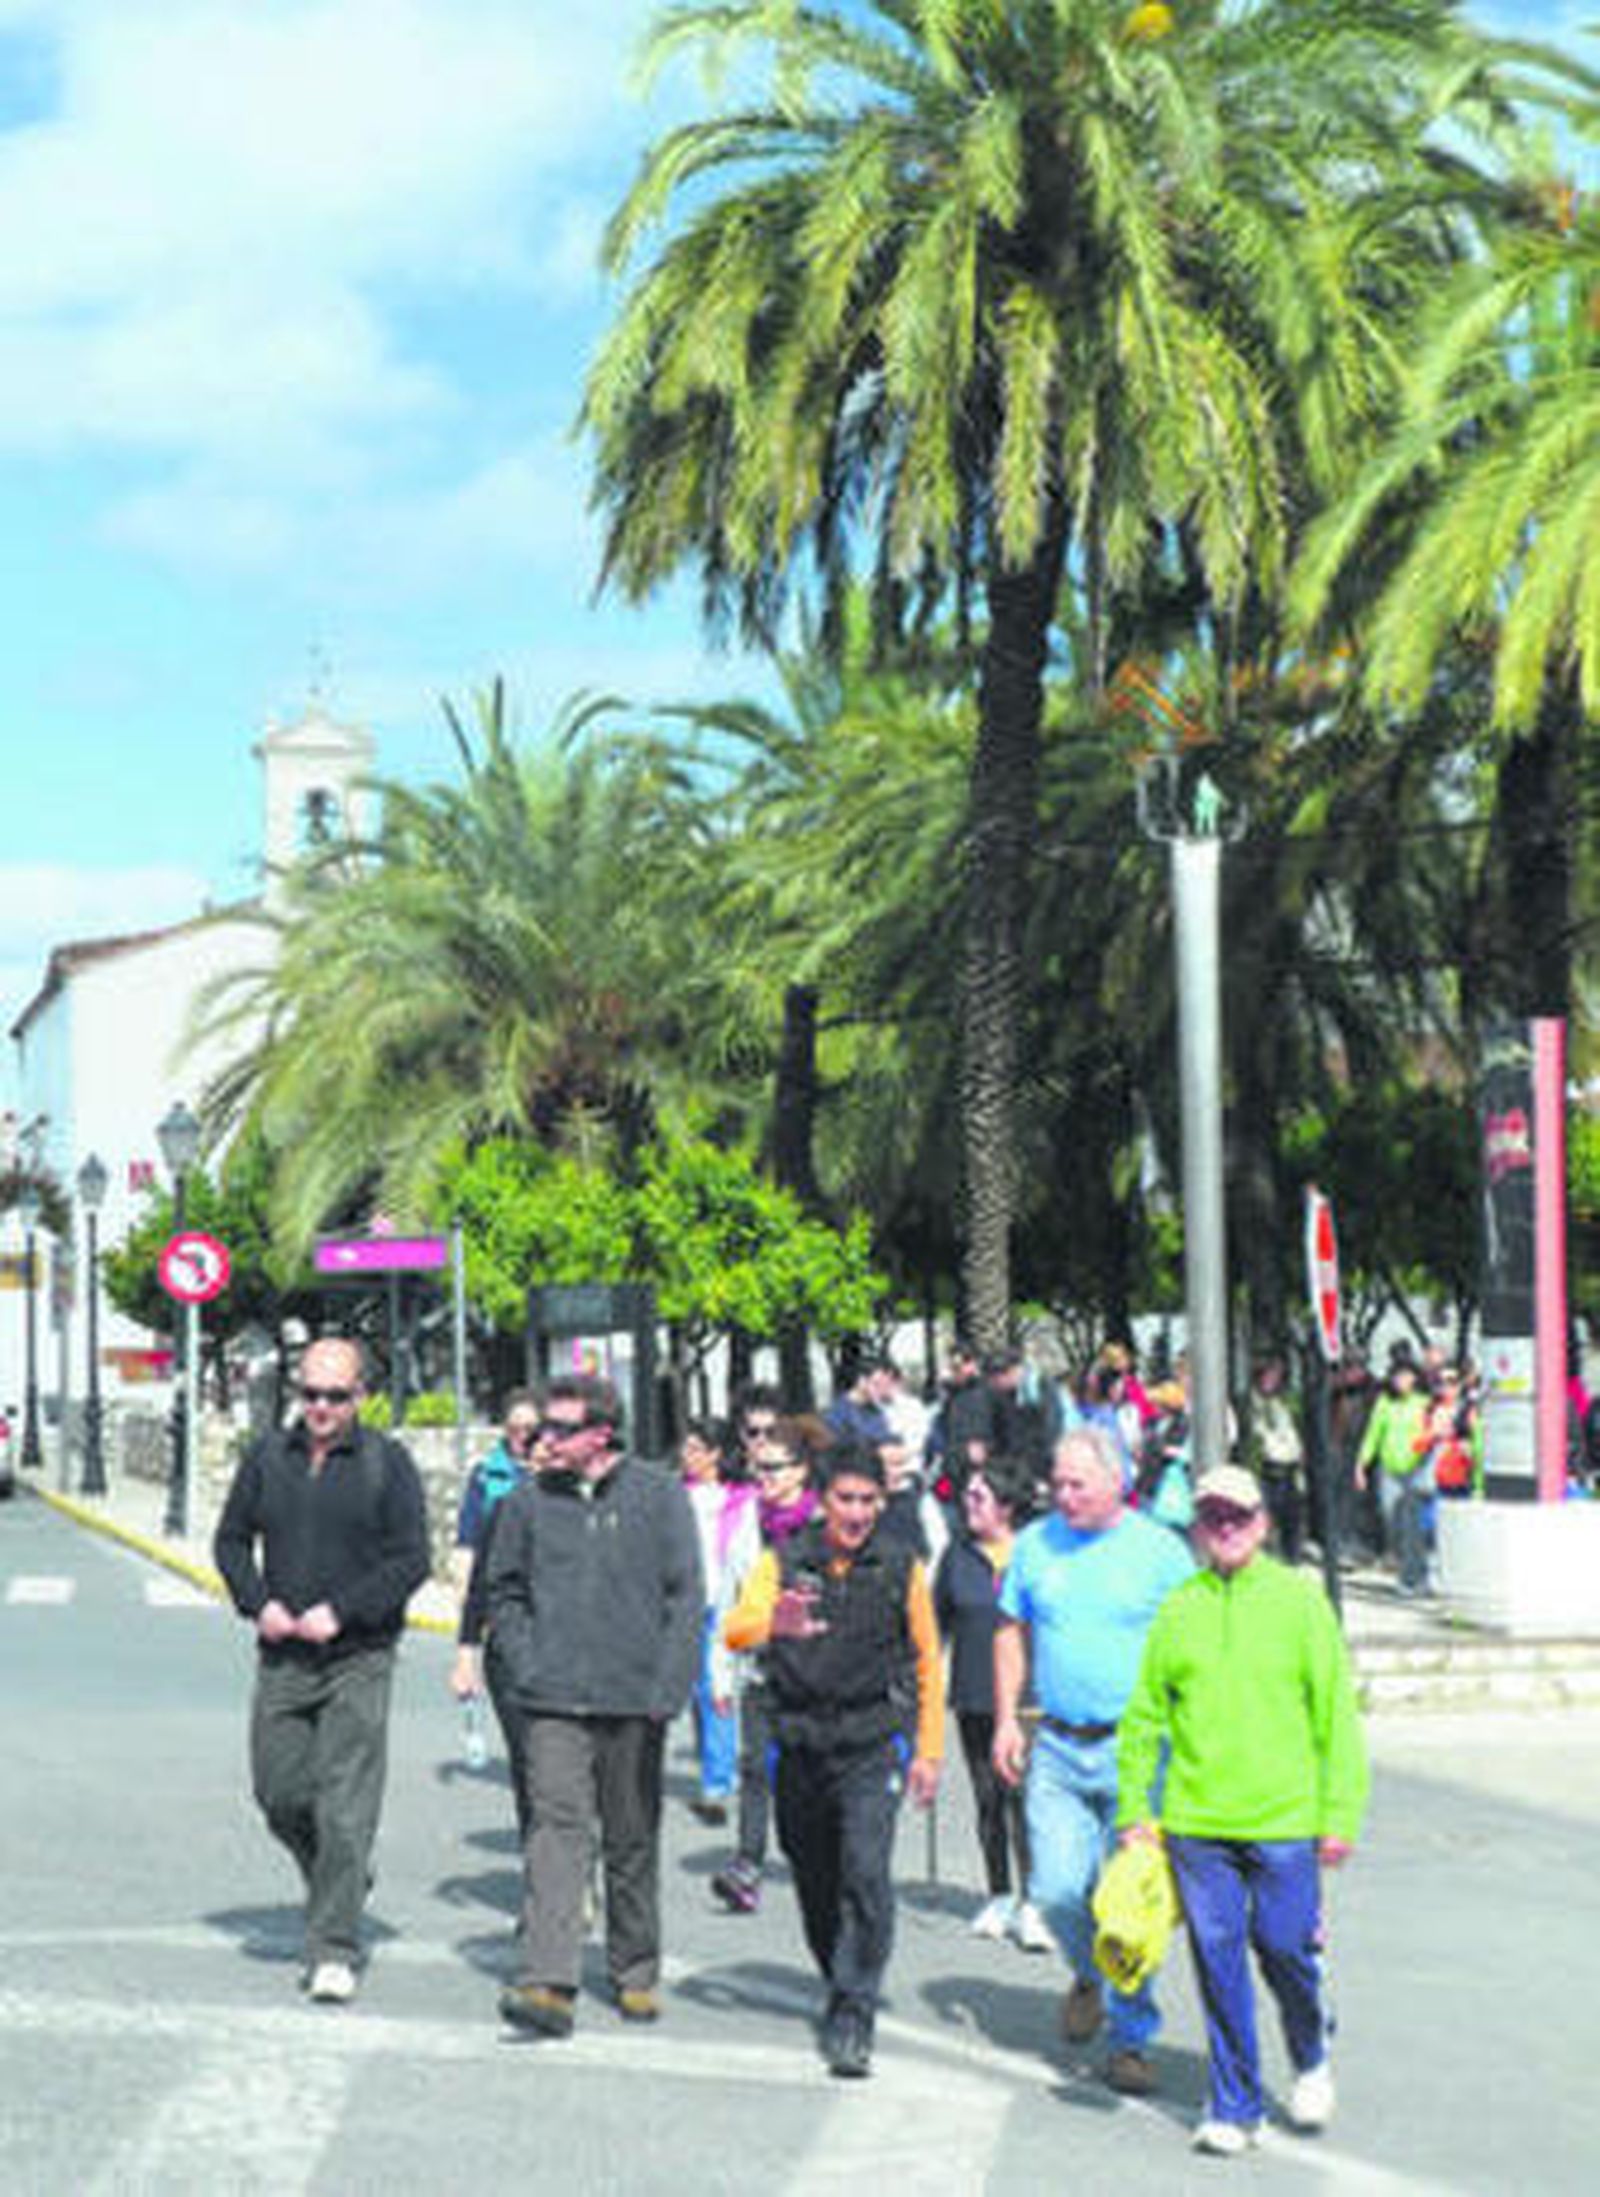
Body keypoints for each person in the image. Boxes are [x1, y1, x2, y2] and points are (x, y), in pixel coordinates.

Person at [1116, 1464, 1369, 2157]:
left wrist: (1340, 1813)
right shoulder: (1180, 1607)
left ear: (1262, 1523)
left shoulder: (1300, 1603)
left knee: (1285, 1948)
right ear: (1198, 1527)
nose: (1225, 1527)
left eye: (1238, 1515)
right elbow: (1143, 1716)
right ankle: (1235, 2104)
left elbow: (1336, 1718)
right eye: (1212, 1516)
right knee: (1218, 1961)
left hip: (1286, 1819)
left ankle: (1310, 2048)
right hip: (1197, 1823)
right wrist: (1135, 1806)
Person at [213, 1337, 431, 2006]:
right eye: (310, 1393)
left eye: (335, 1395)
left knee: (346, 1807)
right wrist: (259, 1603)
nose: (321, 1407)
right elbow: (230, 1541)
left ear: (360, 1396)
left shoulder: (387, 1463)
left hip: (358, 1655)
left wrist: (343, 1611)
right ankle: (343, 1878)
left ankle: (333, 1946)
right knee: (278, 1792)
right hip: (284, 1657)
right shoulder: (266, 1457)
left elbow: (411, 1559)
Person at [486, 1373, 702, 2037]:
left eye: (560, 1428)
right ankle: (548, 1980)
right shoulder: (526, 1502)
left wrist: (668, 1687)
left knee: (631, 1837)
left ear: (601, 1433)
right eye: (542, 1426)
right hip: (551, 1698)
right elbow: (504, 1590)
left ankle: (635, 1968)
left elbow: (685, 1597)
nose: (544, 1438)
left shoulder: (659, 1496)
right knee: (556, 1831)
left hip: (635, 1699)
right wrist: (526, 1664)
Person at [724, 1439, 943, 2078]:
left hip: (871, 1744)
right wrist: (775, 1624)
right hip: (798, 1744)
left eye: (869, 1500)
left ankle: (854, 2007)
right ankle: (838, 1974)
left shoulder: (901, 1566)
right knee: (816, 1880)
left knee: (867, 1874)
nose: (858, 1512)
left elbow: (928, 1662)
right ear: (823, 1500)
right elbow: (734, 1629)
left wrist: (929, 1751)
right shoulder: (784, 1561)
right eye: (846, 1499)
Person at [992, 1425, 1193, 2095]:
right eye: (1058, 1482)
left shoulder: (1161, 1552)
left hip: (1138, 1755)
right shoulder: (1034, 1545)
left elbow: (1191, 1650)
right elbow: (1009, 1630)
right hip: (1056, 1745)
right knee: (1054, 1890)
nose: (1064, 1495)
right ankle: (1091, 1971)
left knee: (1130, 1905)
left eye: (1078, 1484)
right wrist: (1006, 1718)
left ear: (1117, 1481)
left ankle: (1131, 2039)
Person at [932, 1454, 1051, 1951]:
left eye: (979, 1497)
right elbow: (936, 1623)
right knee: (988, 1800)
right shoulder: (958, 1555)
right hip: (974, 1694)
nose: (968, 1504)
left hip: (1028, 1698)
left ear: (1006, 1505)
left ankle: (1034, 1902)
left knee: (1022, 1799)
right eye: (967, 1496)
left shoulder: (1036, 1553)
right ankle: (999, 1893)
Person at [710, 1414, 825, 1915]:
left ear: (802, 1470)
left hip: (818, 1672)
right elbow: (728, 1599)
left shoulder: (827, 1523)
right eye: (758, 1469)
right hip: (761, 1666)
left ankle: (823, 1859)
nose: (764, 1478)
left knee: (809, 1775)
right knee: (755, 1766)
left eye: (774, 1468)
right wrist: (720, 1672)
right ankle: (747, 1864)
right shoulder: (747, 1526)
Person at [449, 1390, 547, 1843]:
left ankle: (568, 1851)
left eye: (536, 1432)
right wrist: (466, 1651)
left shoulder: (589, 1505)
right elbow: (474, 1571)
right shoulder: (499, 1496)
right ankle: (542, 1860)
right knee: (529, 1759)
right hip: (510, 1647)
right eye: (519, 1431)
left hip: (569, 1650)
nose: (529, 1442)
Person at [679, 1417, 759, 1825]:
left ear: (715, 1454)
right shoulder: (677, 1496)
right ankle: (716, 1763)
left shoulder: (743, 1499)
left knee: (716, 1689)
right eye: (686, 1447)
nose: (686, 1455)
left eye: (695, 1448)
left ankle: (719, 1779)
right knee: (697, 1693)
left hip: (724, 1604)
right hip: (687, 1604)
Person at [1355, 1350, 1430, 1592]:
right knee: (1392, 1520)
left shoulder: (1423, 1403)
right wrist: (1361, 1465)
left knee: (1413, 1525)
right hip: (1389, 1470)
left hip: (1415, 1470)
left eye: (1406, 1376)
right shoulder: (1384, 1403)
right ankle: (1407, 1568)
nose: (1402, 1381)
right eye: (1398, 1376)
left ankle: (1414, 1576)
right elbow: (1373, 1434)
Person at [1247, 1356, 1306, 1565]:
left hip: (1289, 1466)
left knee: (1291, 1514)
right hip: (1267, 1467)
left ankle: (1291, 1556)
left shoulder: (1285, 1402)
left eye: (1277, 1375)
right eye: (1269, 1375)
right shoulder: (1253, 1403)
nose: (1273, 1380)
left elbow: (1295, 1429)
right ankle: (1269, 1555)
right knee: (1266, 1514)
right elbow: (1255, 1435)